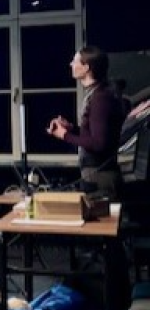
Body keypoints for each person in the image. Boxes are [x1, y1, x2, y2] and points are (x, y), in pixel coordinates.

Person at [46, 45, 126, 201]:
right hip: (95, 175)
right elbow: (95, 133)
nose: (71, 64)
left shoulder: (100, 97)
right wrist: (72, 129)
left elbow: (99, 143)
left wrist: (65, 135)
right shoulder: (96, 93)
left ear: (86, 67)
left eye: (75, 61)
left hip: (101, 178)